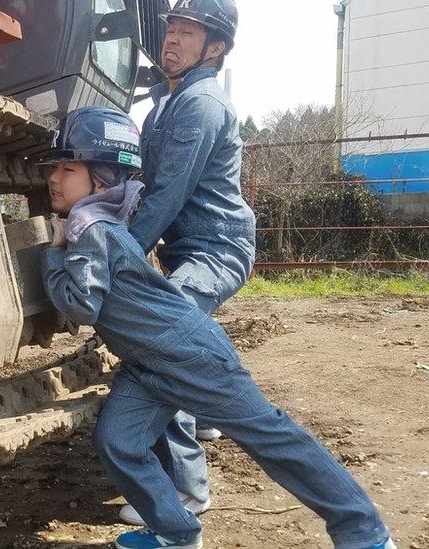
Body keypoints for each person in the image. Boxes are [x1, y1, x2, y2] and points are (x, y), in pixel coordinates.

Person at [41, 106, 394, 549]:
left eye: (67, 168)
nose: (54, 177)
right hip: (150, 361)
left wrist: (52, 254)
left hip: (189, 354)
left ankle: (365, 531)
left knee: (269, 435)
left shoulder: (88, 227)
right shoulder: (100, 221)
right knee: (119, 440)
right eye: (53, 167)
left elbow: (82, 306)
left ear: (102, 181)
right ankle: (176, 533)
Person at [119, 0, 256, 527]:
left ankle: (184, 492)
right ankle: (200, 418)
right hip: (188, 248)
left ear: (215, 49)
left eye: (187, 34)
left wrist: (117, 256)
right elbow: (143, 184)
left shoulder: (200, 104)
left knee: (166, 338)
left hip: (215, 249)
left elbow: (164, 199)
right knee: (185, 329)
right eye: (170, 30)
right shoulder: (162, 105)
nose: (170, 40)